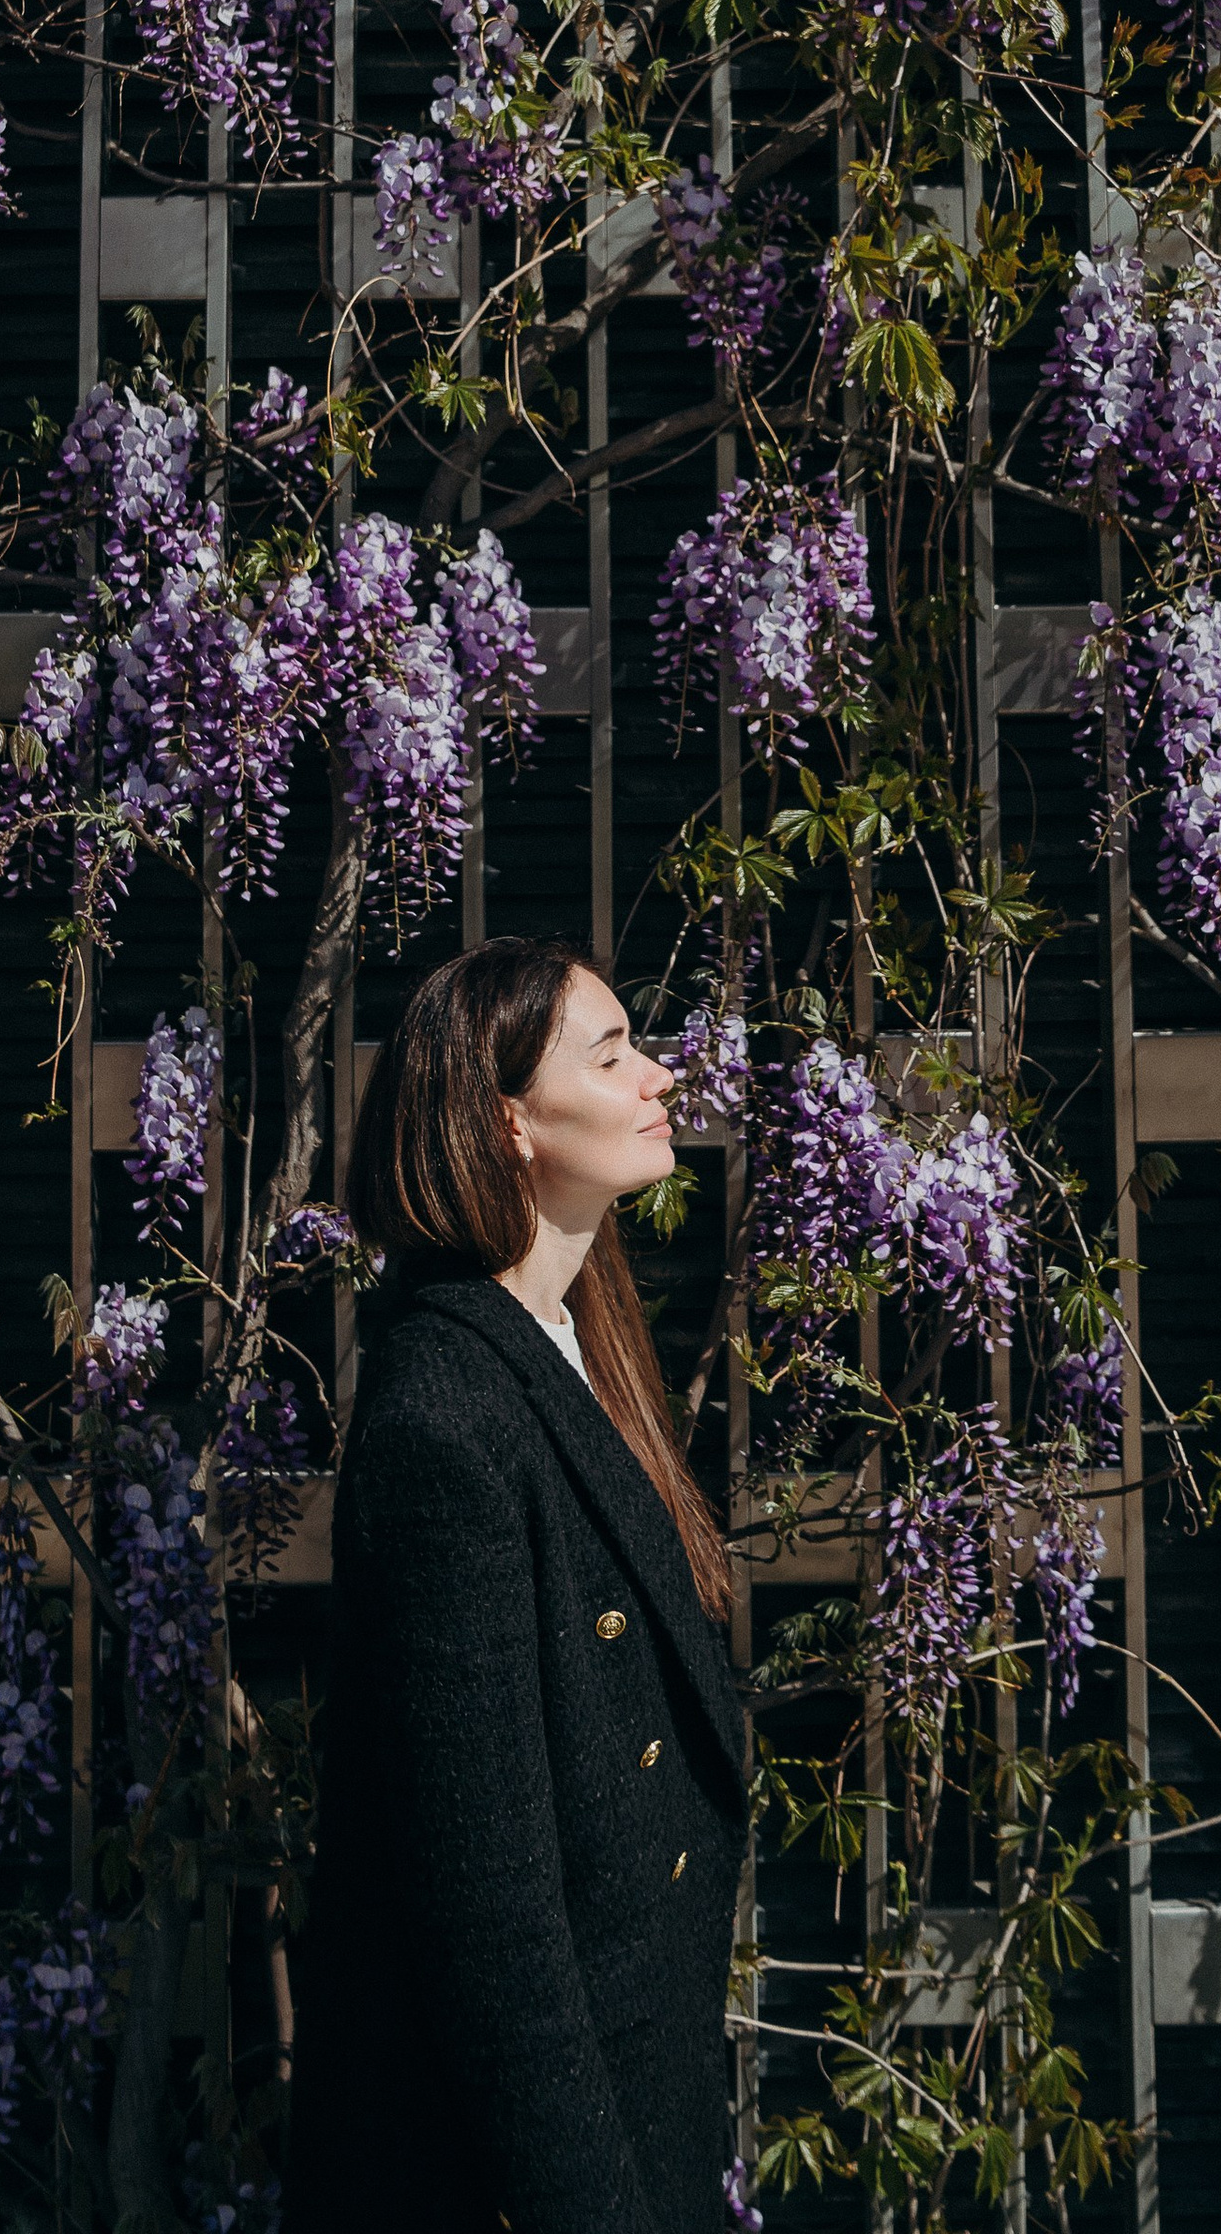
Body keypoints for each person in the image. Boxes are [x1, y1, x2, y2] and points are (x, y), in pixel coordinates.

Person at [280, 936, 750, 2234]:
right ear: (507, 1124)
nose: (658, 1076)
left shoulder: (574, 1341)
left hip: (635, 2080)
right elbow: (489, 1916)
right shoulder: (445, 1414)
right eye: (611, 1056)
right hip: (508, 2158)